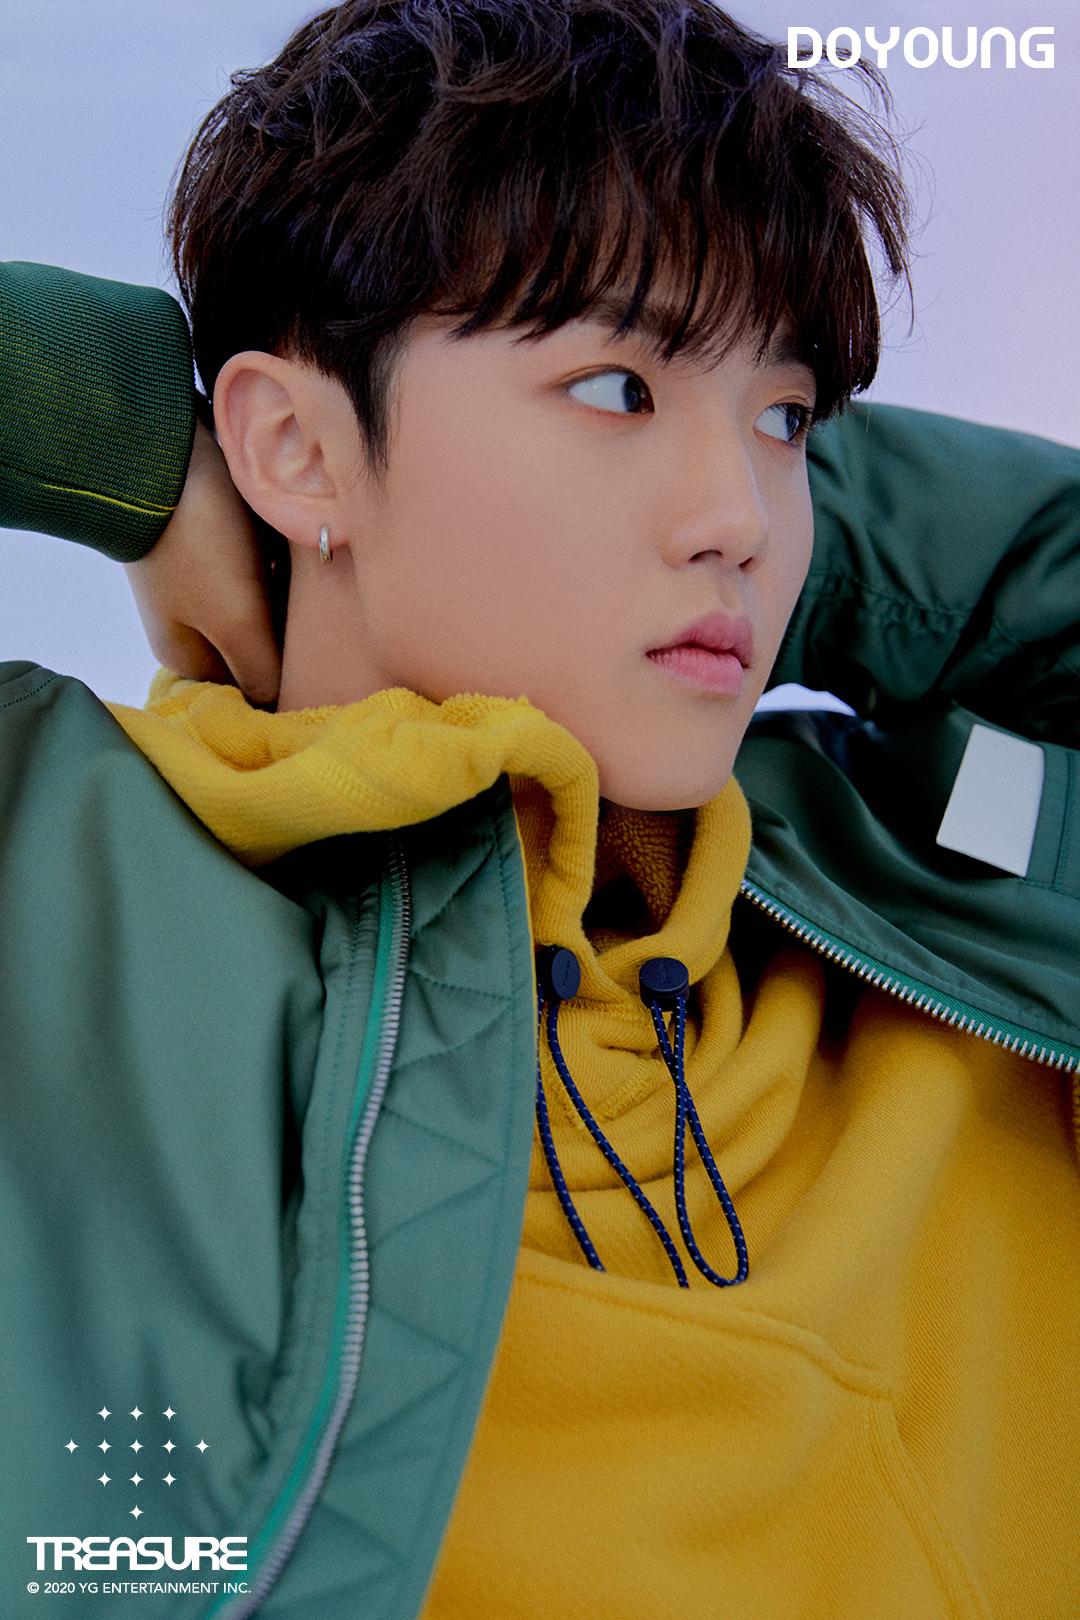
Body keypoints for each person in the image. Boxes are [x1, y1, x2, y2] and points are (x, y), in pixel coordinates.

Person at [1, 2, 1078, 1616]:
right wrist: (126, 436)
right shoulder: (60, 883)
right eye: (616, 389)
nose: (741, 519)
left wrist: (754, 522)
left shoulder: (955, 886)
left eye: (788, 418)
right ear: (292, 443)